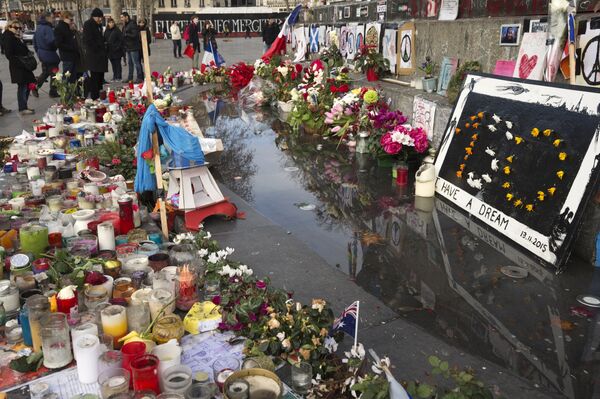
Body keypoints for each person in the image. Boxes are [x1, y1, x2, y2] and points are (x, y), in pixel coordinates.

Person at [3, 21, 36, 114]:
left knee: (27, 85)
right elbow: (9, 54)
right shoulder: (9, 37)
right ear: (9, 27)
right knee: (23, 87)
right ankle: (22, 108)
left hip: (22, 66)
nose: (18, 30)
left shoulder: (14, 37)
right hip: (18, 66)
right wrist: (21, 62)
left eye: (20, 28)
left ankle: (24, 106)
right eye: (16, 27)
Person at [33, 11, 60, 98]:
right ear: (47, 18)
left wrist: (39, 52)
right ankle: (53, 91)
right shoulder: (48, 28)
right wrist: (56, 45)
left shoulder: (39, 28)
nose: (53, 19)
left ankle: (35, 86)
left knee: (45, 73)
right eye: (52, 17)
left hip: (42, 54)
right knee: (54, 74)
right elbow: (51, 41)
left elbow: (34, 43)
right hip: (49, 54)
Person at [83, 8, 107, 100]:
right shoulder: (88, 24)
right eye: (99, 17)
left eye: (101, 17)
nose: (100, 19)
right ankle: (95, 96)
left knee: (100, 78)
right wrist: (99, 46)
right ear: (94, 16)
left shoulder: (99, 25)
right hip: (94, 56)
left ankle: (100, 95)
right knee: (95, 78)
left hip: (101, 56)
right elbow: (88, 40)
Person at [54, 11, 79, 82]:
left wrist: (73, 30)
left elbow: (71, 39)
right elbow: (58, 43)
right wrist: (71, 47)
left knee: (73, 77)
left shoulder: (68, 27)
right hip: (67, 56)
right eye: (71, 20)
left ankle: (72, 91)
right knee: (67, 76)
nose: (72, 21)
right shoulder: (59, 28)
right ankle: (65, 91)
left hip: (73, 55)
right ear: (65, 18)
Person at [120, 12, 143, 83]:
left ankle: (140, 77)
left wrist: (127, 34)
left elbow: (135, 35)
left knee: (136, 62)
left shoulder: (132, 24)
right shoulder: (125, 25)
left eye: (122, 17)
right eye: (121, 17)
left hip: (134, 47)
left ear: (126, 17)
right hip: (128, 47)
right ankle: (130, 78)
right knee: (130, 63)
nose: (121, 19)